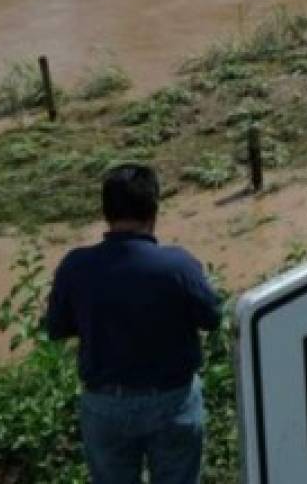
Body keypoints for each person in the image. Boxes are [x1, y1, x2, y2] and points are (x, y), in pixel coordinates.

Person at [46, 163, 222, 484]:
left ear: (106, 213)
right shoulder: (178, 266)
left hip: (105, 405)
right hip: (173, 401)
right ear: (154, 210)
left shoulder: (76, 267)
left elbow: (56, 328)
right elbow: (212, 317)